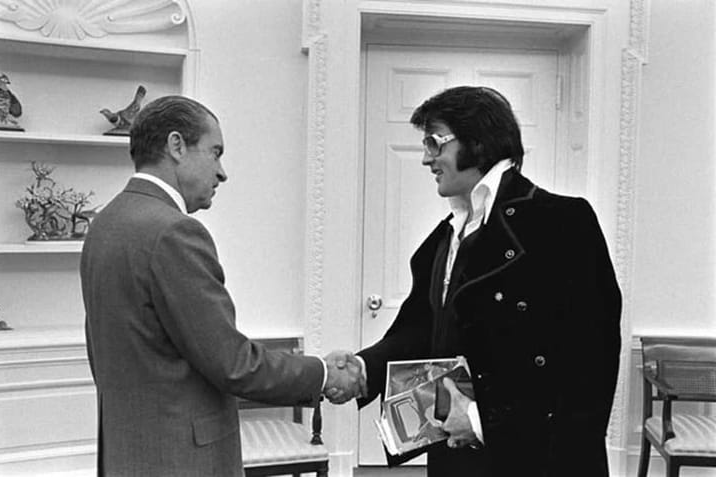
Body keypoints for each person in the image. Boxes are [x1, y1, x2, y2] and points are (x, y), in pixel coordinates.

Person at [328, 86, 622, 476]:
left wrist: (484, 422)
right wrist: (362, 370)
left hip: (536, 459)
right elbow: (423, 328)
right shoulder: (445, 235)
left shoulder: (563, 221)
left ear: (478, 143)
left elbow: (591, 362)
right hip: (455, 455)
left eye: (435, 142)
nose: (426, 158)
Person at [80, 95, 362, 477]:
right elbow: (233, 364)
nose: (222, 172)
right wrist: (324, 373)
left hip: (127, 453)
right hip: (180, 460)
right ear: (176, 146)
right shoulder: (174, 232)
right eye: (215, 152)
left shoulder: (105, 224)